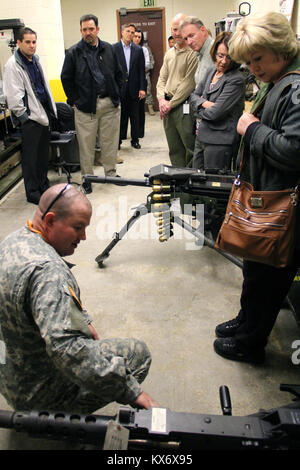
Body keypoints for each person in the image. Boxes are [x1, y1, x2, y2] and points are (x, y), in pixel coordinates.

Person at [0, 183, 158, 413]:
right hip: (36, 397)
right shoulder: (49, 272)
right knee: (137, 354)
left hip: (11, 377)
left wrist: (82, 316)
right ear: (51, 220)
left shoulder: (13, 242)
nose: (84, 237)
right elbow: (67, 351)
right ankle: (54, 421)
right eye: (77, 227)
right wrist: (131, 391)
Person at [213, 12, 300, 364]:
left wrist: (251, 130)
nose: (253, 68)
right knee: (254, 266)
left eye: (258, 58)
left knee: (268, 278)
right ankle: (246, 320)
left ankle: (251, 343)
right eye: (248, 62)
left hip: (281, 205)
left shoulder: (295, 88)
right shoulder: (279, 80)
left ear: (280, 48)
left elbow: (294, 151)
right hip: (265, 199)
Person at [61, 14, 123, 194]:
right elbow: (66, 79)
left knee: (110, 142)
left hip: (109, 105)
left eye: (91, 29)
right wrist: (74, 101)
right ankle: (87, 178)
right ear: (81, 31)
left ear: (98, 29)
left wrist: (116, 95)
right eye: (84, 30)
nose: (88, 33)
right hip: (86, 107)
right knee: (86, 146)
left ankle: (110, 173)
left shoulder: (109, 49)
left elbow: (119, 74)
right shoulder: (73, 53)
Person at [3, 27, 57, 205]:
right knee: (31, 158)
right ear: (18, 43)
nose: (32, 45)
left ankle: (43, 185)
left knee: (42, 156)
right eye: (27, 42)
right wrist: (24, 117)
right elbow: (13, 95)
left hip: (42, 115)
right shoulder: (13, 65)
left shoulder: (35, 60)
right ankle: (33, 192)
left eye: (34, 42)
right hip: (30, 120)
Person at [189, 32, 245, 171]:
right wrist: (205, 103)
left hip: (219, 142)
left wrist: (198, 104)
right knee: (196, 182)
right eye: (221, 56)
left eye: (229, 57)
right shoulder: (211, 72)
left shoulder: (235, 79)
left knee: (213, 186)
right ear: (214, 53)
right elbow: (192, 97)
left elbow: (215, 113)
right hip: (201, 137)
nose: (224, 61)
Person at [156, 13, 198, 168]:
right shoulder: (170, 54)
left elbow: (188, 83)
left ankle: (190, 183)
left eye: (180, 29)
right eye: (174, 29)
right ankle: (178, 179)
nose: (177, 33)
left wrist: (170, 104)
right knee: (174, 147)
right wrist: (161, 100)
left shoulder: (193, 54)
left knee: (189, 146)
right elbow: (161, 79)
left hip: (182, 106)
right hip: (167, 105)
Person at [113, 24, 147, 150]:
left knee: (135, 116)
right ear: (122, 32)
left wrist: (142, 88)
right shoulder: (114, 48)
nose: (130, 34)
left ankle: (135, 140)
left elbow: (141, 71)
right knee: (120, 117)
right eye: (128, 31)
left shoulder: (138, 50)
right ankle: (118, 141)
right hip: (120, 89)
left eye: (132, 32)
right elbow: (111, 70)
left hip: (134, 88)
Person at [180, 16, 214, 87]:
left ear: (203, 30)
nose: (189, 42)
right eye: (186, 39)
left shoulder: (215, 50)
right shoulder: (200, 53)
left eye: (191, 35)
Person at [133, 29, 150, 138]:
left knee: (140, 109)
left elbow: (147, 64)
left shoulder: (143, 49)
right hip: (129, 84)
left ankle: (140, 132)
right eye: (135, 36)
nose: (137, 38)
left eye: (139, 37)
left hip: (141, 81)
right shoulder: (127, 49)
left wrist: (137, 71)